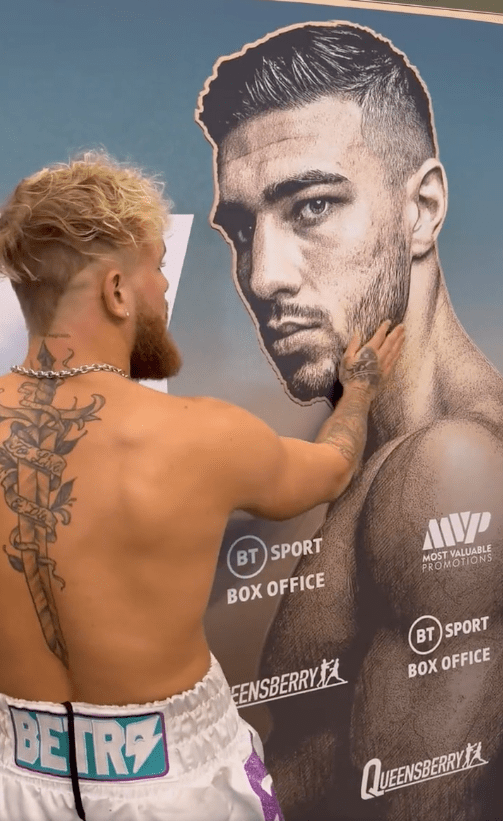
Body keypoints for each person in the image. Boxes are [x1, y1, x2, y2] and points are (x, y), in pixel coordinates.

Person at [0, 152, 403, 820]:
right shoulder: (203, 435)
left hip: (15, 775)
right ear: (116, 290)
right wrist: (357, 389)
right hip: (171, 783)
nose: (163, 289)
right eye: (156, 268)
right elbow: (330, 470)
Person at [197, 22, 503, 820]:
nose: (262, 276)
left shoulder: (452, 467)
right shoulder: (360, 452)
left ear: (421, 210)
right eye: (240, 230)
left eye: (311, 206)